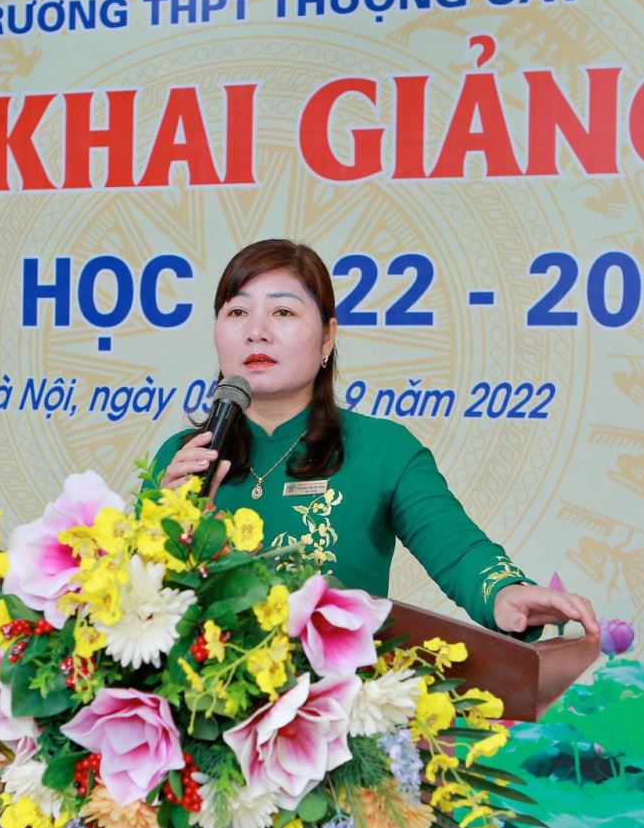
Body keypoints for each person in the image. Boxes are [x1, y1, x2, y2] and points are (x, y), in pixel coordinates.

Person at [150, 238, 600, 643]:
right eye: (237, 312)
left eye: (283, 312)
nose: (256, 330)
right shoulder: (183, 457)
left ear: (327, 337)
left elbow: (458, 550)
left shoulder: (383, 450)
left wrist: (505, 592)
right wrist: (162, 529)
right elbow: (137, 601)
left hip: (338, 699)